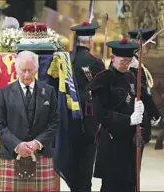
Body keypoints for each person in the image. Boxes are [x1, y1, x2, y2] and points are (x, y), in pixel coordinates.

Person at [0, 50, 59, 191]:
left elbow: (54, 122)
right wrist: (17, 145)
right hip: (11, 155)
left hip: (41, 154)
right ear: (16, 69)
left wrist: (37, 143)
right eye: (23, 70)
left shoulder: (49, 92)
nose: (27, 74)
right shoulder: (4, 93)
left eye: (30, 70)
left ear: (37, 69)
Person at [87, 38, 147, 192]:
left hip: (129, 143)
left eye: (129, 61)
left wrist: (140, 111)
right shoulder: (102, 79)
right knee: (112, 185)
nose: (126, 64)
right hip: (112, 141)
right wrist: (128, 120)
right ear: (113, 58)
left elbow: (133, 102)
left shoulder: (132, 78)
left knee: (129, 183)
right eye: (123, 61)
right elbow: (100, 114)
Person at [68, 21, 105, 192]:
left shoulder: (67, 60)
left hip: (69, 118)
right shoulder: (96, 63)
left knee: (72, 164)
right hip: (89, 120)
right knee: (86, 164)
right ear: (90, 41)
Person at [128, 28, 161, 145]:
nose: (148, 50)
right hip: (135, 118)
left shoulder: (129, 62)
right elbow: (142, 92)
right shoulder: (133, 65)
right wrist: (154, 114)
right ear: (140, 46)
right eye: (148, 46)